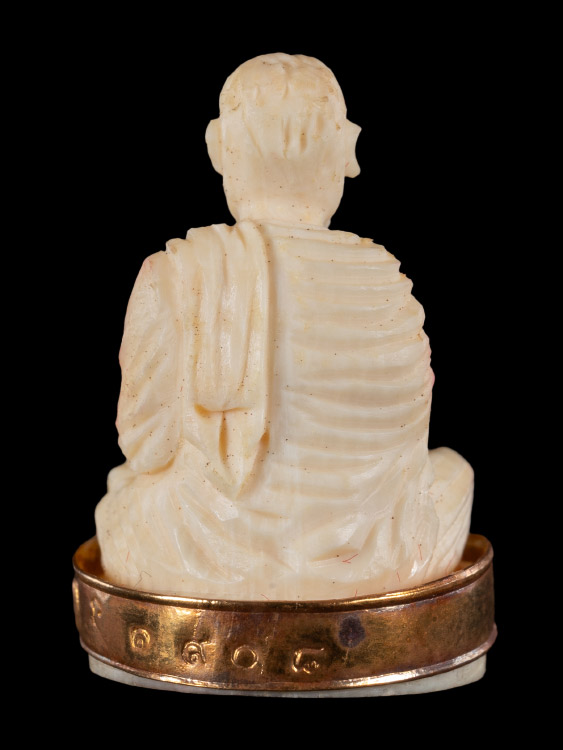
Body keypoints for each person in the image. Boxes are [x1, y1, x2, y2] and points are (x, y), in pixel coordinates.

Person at [95, 53, 473, 600]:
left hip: (209, 541)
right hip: (376, 551)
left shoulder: (178, 274)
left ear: (219, 148)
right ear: (345, 155)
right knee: (453, 474)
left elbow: (145, 445)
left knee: (126, 497)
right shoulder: (387, 280)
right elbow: (409, 455)